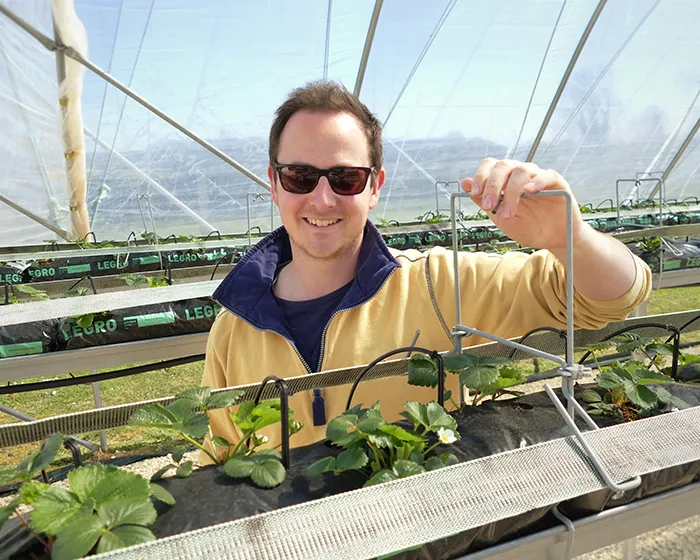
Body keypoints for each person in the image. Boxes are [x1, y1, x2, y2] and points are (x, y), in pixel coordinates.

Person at [200, 81, 651, 462]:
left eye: (346, 178)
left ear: (374, 186)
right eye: (300, 176)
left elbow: (610, 299)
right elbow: (216, 464)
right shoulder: (234, 329)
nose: (322, 199)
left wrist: (569, 238)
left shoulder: (439, 286)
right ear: (274, 184)